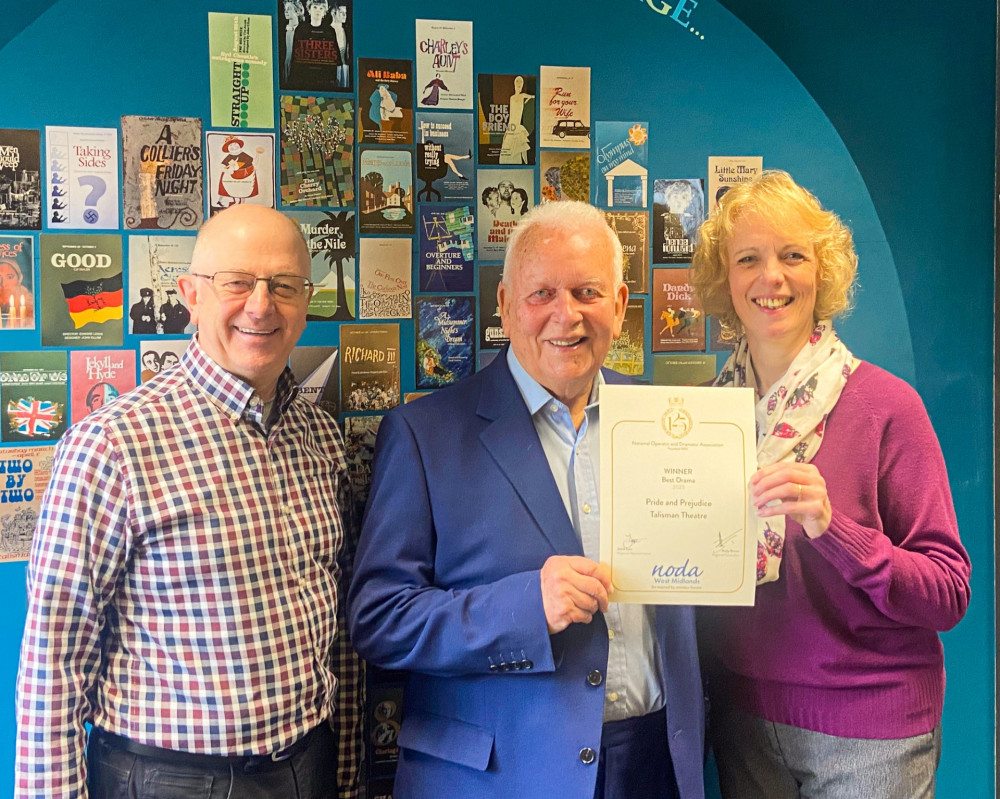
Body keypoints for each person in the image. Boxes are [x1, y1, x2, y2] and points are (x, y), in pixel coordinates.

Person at [349, 200, 705, 799]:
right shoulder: (423, 434)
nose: (566, 316)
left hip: (654, 766)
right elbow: (379, 620)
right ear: (506, 304)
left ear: (619, 306)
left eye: (587, 292)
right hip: (496, 777)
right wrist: (524, 608)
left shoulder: (673, 424)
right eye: (542, 294)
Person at [16, 204, 363, 799]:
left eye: (284, 285)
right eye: (236, 282)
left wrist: (350, 771)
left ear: (308, 301)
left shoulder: (321, 436)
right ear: (191, 295)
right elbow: (54, 658)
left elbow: (342, 627)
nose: (261, 305)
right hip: (166, 778)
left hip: (309, 765)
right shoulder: (112, 445)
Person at [689, 170, 971, 799]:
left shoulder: (888, 407)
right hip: (746, 723)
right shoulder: (708, 416)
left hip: (873, 732)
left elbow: (949, 592)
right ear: (724, 279)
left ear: (824, 271)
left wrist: (832, 528)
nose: (773, 278)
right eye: (749, 259)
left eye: (794, 255)